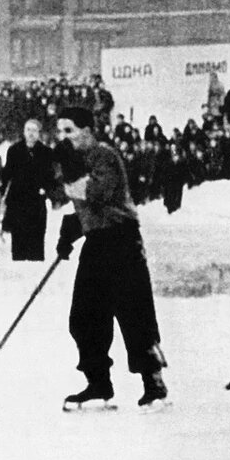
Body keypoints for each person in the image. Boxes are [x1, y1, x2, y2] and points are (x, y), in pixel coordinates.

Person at [53, 106, 169, 409]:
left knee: (134, 314)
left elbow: (100, 193)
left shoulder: (104, 155)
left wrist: (73, 179)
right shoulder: (74, 161)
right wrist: (70, 231)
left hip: (122, 241)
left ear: (88, 130)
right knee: (84, 316)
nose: (63, 137)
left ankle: (153, 383)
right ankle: (98, 383)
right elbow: (90, 211)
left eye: (70, 131)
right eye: (60, 131)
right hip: (97, 241)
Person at [0, 118, 57, 261]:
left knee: (36, 233)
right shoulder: (14, 150)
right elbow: (7, 174)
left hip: (36, 199)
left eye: (34, 130)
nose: (31, 133)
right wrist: (3, 194)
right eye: (28, 130)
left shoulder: (46, 152)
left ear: (39, 133)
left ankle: (35, 261)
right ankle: (19, 261)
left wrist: (46, 190)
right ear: (24, 132)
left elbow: (50, 176)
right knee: (18, 234)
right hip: (17, 198)